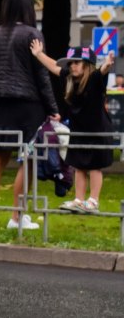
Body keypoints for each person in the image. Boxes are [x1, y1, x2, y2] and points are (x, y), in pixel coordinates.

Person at [0, 0, 59, 230]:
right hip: (29, 106)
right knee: (28, 160)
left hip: (2, 103)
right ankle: (16, 216)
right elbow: (41, 76)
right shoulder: (33, 34)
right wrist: (52, 108)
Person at [31, 42, 116, 213]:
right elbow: (54, 67)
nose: (73, 66)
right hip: (78, 129)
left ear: (87, 65)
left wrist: (106, 64)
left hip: (97, 130)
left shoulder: (94, 79)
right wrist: (39, 54)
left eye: (77, 62)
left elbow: (102, 72)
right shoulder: (69, 79)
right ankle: (79, 199)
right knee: (79, 165)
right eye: (71, 63)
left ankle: (93, 201)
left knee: (94, 166)